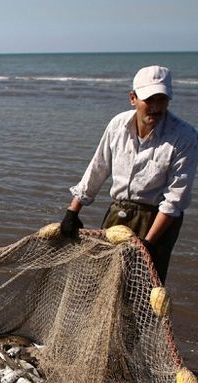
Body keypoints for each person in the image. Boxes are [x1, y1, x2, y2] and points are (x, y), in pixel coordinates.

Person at [60, 65, 198, 284]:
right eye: (149, 100)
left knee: (143, 287)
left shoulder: (185, 137)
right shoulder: (117, 125)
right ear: (133, 98)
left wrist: (149, 243)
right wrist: (72, 211)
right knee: (103, 278)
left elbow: (174, 200)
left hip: (156, 219)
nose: (155, 107)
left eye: (161, 100)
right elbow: (98, 167)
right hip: (119, 211)